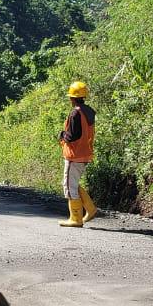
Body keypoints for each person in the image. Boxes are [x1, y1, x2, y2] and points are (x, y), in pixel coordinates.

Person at [57, 81, 99, 227]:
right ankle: (91, 209)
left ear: (73, 98)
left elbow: (73, 135)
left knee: (69, 186)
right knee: (72, 184)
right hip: (85, 153)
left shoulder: (76, 113)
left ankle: (76, 218)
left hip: (74, 154)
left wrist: (62, 135)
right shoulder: (89, 111)